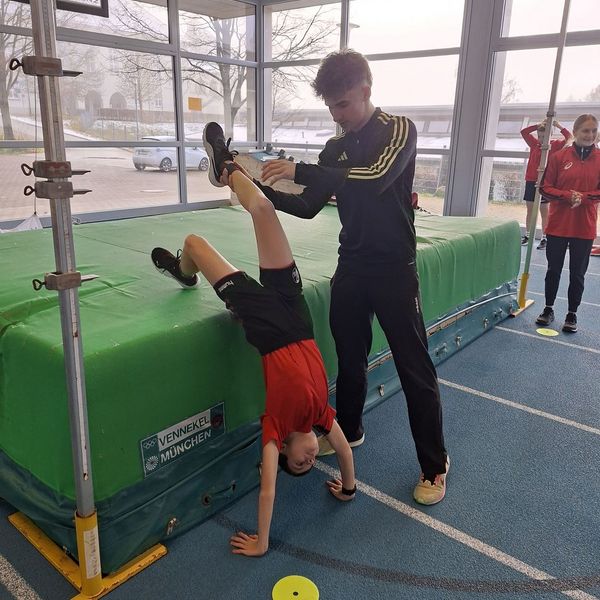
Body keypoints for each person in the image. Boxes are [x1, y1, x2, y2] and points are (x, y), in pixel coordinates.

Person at [151, 122, 357, 557]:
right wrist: (348, 487)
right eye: (310, 463)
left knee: (194, 242)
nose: (307, 460)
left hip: (262, 320)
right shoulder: (322, 416)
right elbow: (342, 450)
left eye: (297, 464)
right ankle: (226, 165)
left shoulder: (274, 428)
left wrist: (262, 542)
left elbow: (267, 490)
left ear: (282, 452)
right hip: (294, 309)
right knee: (263, 207)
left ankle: (184, 271)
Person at [254, 50, 449, 505]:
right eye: (330, 107)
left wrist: (301, 169)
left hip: (394, 269)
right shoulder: (334, 149)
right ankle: (351, 429)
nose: (337, 115)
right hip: (352, 267)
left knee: (413, 366)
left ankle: (434, 465)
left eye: (342, 104)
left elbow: (376, 176)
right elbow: (309, 204)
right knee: (349, 358)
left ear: (366, 90)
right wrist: (258, 191)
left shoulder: (399, 129)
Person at [535, 113, 600, 333]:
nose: (590, 135)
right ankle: (548, 308)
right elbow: (544, 188)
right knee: (553, 270)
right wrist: (566, 196)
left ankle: (572, 313)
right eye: (585, 131)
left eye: (593, 131)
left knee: (577, 274)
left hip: (584, 227)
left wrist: (583, 197)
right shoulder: (558, 157)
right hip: (558, 226)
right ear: (575, 132)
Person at [520, 118, 571, 249]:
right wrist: (538, 125)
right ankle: (528, 235)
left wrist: (558, 125)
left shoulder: (555, 145)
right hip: (531, 180)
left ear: (550, 135)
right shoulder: (534, 144)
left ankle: (544, 237)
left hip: (545, 182)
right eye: (540, 136)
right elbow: (524, 132)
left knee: (544, 211)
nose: (542, 139)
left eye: (545, 136)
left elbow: (570, 137)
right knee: (530, 210)